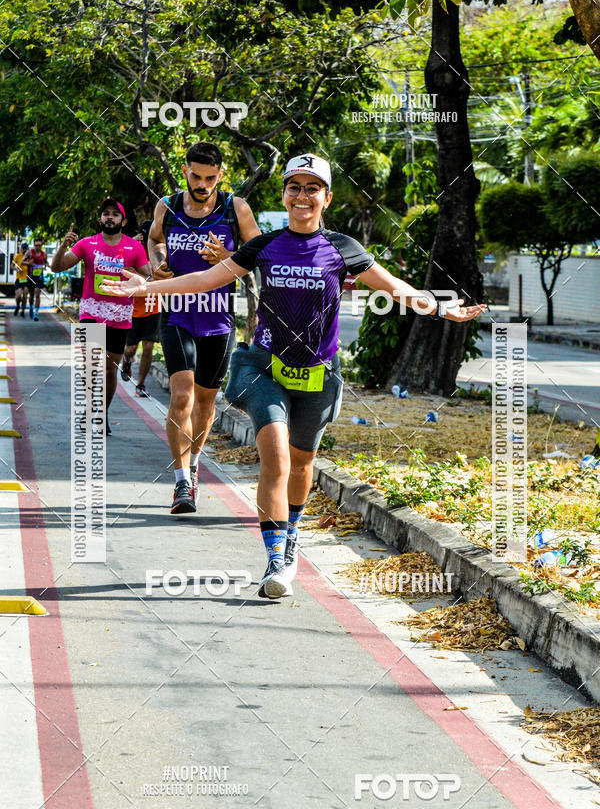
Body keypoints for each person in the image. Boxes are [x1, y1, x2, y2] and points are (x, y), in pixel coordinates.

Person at [102, 153, 485, 598]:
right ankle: (276, 555)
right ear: (284, 195)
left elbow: (393, 287)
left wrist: (438, 306)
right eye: (294, 188)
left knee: (303, 465)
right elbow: (207, 279)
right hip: (265, 367)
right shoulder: (263, 246)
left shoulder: (343, 248)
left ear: (326, 197)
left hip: (320, 374)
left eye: (311, 188)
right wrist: (147, 286)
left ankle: (292, 532)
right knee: (277, 459)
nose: (302, 196)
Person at [147, 141, 261, 514]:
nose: (202, 184)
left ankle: (193, 465)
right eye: (196, 176)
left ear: (220, 176)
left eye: (210, 178)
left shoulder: (235, 208)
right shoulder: (168, 206)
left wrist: (230, 259)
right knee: (182, 395)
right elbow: (153, 238)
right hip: (177, 313)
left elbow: (261, 253)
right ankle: (181, 483)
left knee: (206, 402)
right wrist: (158, 262)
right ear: (185, 172)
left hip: (218, 320)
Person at [50, 198, 152, 435]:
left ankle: (102, 413)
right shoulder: (87, 244)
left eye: (115, 215)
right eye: (105, 213)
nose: (109, 217)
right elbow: (57, 267)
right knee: (91, 366)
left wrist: (144, 278)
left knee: (109, 370)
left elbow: (150, 278)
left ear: (123, 221)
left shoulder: (134, 248)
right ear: (100, 219)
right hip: (91, 312)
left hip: (120, 316)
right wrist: (63, 246)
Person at [120, 220, 160, 397]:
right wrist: (130, 242)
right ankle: (126, 360)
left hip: (154, 306)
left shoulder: (160, 252)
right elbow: (118, 261)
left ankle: (141, 385)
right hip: (134, 308)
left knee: (149, 346)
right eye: (145, 238)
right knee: (130, 348)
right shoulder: (133, 250)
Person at [22, 238, 48, 320]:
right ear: (34, 245)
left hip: (39, 277)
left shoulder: (44, 254)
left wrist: (46, 265)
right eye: (36, 245)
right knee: (31, 295)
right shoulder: (30, 252)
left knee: (37, 294)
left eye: (39, 245)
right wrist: (28, 263)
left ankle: (36, 313)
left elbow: (46, 262)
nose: (37, 247)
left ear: (41, 246)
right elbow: (22, 262)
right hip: (31, 277)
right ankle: (31, 307)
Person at [11, 242, 29, 316]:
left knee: (25, 296)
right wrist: (16, 269)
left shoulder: (29, 257)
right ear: (21, 248)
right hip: (19, 279)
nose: (24, 250)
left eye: (25, 248)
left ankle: (23, 311)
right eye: (23, 248)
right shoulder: (17, 256)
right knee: (18, 296)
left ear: (27, 249)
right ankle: (18, 305)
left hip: (27, 279)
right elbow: (12, 266)